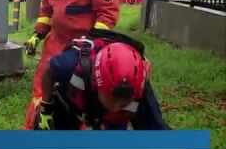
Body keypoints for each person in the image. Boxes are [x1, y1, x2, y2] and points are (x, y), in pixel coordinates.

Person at [22, 0, 120, 130]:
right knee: (40, 95)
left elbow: (108, 14)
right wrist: (36, 36)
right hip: (53, 48)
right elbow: (47, 12)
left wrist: (89, 44)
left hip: (82, 52)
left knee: (76, 100)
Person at [33, 29, 166, 130]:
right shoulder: (70, 65)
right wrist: (46, 108)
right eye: (111, 100)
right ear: (96, 83)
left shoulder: (139, 87)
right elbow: (49, 69)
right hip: (73, 100)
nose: (115, 108)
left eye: (123, 104)